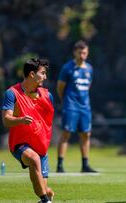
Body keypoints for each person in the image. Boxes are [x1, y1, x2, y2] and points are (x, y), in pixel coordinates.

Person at [1, 58, 55, 203]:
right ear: (32, 74)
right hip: (20, 144)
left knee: (44, 188)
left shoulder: (48, 96)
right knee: (33, 159)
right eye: (43, 73)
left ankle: (45, 195)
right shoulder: (12, 93)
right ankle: (45, 200)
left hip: (41, 147)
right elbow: (6, 120)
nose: (45, 77)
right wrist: (21, 120)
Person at [56, 40, 97, 173]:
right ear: (74, 52)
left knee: (86, 134)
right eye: (79, 52)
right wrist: (66, 101)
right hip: (71, 106)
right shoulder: (67, 68)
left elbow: (88, 87)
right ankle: (60, 165)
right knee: (66, 133)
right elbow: (60, 88)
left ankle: (85, 164)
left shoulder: (89, 68)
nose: (82, 55)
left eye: (84, 52)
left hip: (85, 107)